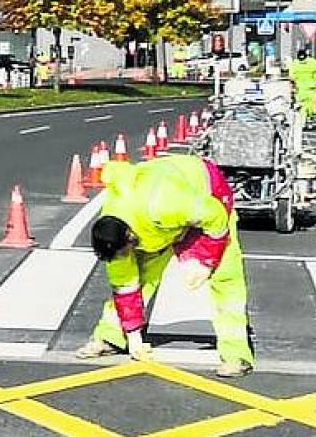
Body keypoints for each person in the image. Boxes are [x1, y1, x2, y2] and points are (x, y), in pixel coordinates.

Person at [75, 154, 255, 378]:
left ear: (130, 237)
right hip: (155, 224)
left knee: (226, 280)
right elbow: (124, 285)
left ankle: (237, 354)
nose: (126, 256)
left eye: (126, 251)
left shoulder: (167, 204)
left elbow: (215, 218)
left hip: (207, 195)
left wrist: (206, 262)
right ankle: (112, 336)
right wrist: (134, 338)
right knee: (140, 276)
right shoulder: (113, 225)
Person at [289, 48, 316, 125]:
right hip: (309, 88)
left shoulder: (295, 63)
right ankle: (308, 119)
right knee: (310, 106)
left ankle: (304, 121)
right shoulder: (313, 62)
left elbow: (291, 76)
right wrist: (315, 81)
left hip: (300, 88)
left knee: (302, 106)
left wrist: (293, 84)